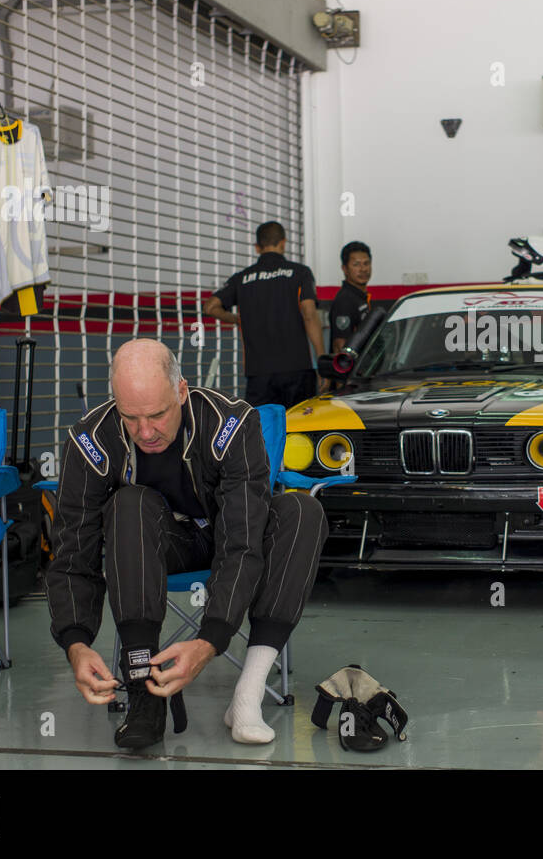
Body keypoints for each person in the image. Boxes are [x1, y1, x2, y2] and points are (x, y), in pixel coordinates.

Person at [46, 339, 328, 748]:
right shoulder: (90, 441)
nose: (146, 432)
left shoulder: (231, 424)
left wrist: (210, 639)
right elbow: (72, 551)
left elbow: (243, 539)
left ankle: (247, 697)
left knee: (303, 511)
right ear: (116, 404)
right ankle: (145, 692)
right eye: (131, 417)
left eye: (157, 415)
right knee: (128, 502)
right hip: (159, 549)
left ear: (181, 389)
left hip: (227, 538)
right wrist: (74, 641)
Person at [203, 220, 324, 408]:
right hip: (298, 369)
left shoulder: (242, 278)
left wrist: (236, 319)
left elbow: (210, 307)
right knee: (299, 428)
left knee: (263, 431)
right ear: (283, 243)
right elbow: (309, 314)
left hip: (259, 374)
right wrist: (322, 358)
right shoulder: (300, 273)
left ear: (258, 247)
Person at [330, 240, 372, 353]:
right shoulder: (345, 300)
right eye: (356, 265)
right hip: (354, 369)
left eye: (366, 263)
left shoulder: (360, 297)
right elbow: (340, 345)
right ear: (345, 269)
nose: (363, 269)